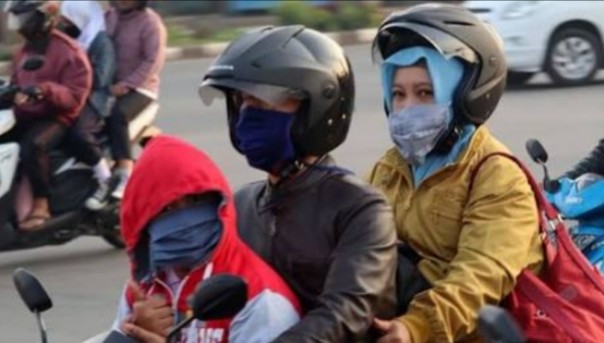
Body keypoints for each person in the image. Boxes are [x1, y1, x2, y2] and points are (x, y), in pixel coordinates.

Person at [199, 25, 398, 342]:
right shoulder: (241, 207)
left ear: (316, 106)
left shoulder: (359, 208)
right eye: (242, 100)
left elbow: (347, 311)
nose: (249, 114)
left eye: (264, 100)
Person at [365, 4, 545, 343]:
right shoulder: (388, 169)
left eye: (425, 93)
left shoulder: (496, 177)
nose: (406, 109)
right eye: (399, 94)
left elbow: (480, 278)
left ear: (463, 95)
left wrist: (414, 327)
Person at [111, 135, 301, 343]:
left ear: (218, 204)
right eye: (167, 208)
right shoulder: (143, 290)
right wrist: (132, 335)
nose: (184, 220)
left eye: (195, 201)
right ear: (144, 221)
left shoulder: (259, 300)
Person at [6, 0, 92, 230]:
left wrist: (45, 90)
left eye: (23, 19)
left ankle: (41, 203)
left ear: (42, 18)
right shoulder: (24, 51)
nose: (19, 26)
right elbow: (15, 83)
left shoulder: (69, 51)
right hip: (27, 114)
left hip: (58, 116)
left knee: (33, 146)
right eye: (17, 19)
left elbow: (75, 95)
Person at [103, 0, 167, 200]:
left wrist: (127, 85)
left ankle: (124, 169)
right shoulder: (110, 17)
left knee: (117, 115)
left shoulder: (150, 22)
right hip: (109, 87)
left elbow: (153, 61)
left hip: (141, 89)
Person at [59, 0, 116, 210]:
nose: (63, 24)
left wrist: (75, 79)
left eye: (67, 20)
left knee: (79, 134)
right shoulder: (69, 41)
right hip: (73, 97)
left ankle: (105, 178)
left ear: (80, 18)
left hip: (95, 100)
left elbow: (101, 78)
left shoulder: (101, 42)